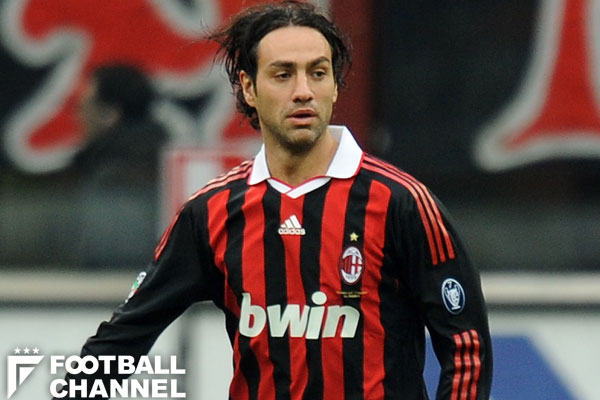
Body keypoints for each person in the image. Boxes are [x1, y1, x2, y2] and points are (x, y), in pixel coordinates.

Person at [57, 1, 492, 398]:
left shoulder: (401, 203)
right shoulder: (211, 213)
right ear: (248, 88)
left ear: (335, 86)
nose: (303, 91)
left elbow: (466, 348)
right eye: (283, 74)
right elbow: (120, 341)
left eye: (317, 73)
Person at [70, 63, 168, 268]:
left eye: (84, 106)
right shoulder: (167, 164)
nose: (79, 115)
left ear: (109, 113)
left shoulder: (111, 178)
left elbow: (100, 253)